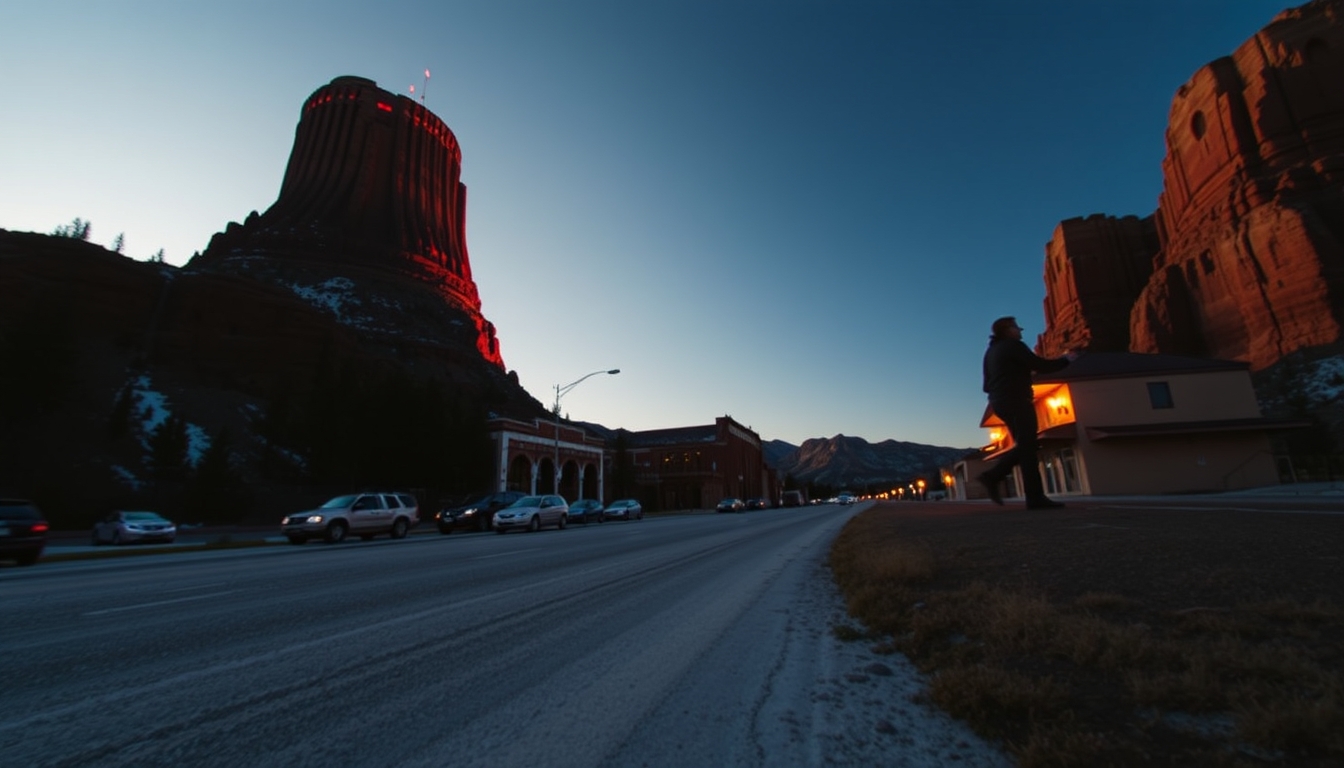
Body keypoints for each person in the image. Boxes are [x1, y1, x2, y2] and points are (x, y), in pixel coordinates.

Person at [978, 316, 1074, 509]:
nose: (1020, 332)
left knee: (1026, 446)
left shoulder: (991, 352)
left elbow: (986, 386)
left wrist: (1017, 375)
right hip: (1017, 401)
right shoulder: (1013, 346)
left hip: (999, 402)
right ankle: (995, 477)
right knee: (1028, 445)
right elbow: (1041, 364)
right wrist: (1067, 360)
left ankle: (1033, 497)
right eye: (1017, 328)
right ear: (1007, 329)